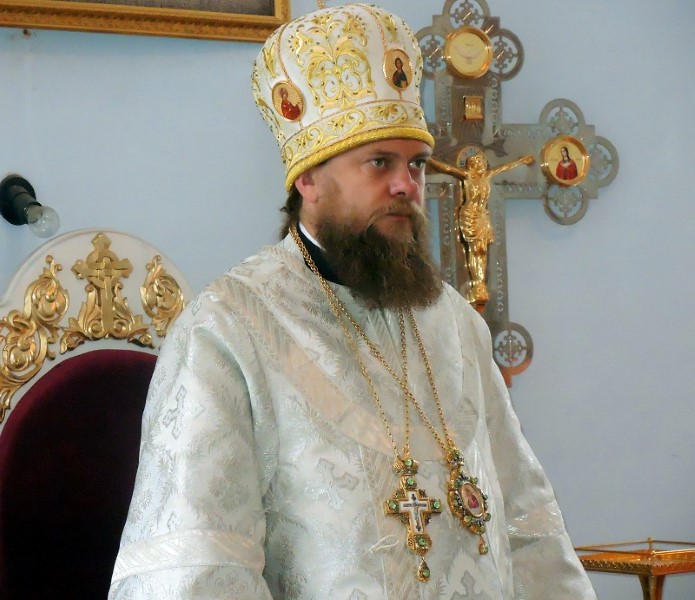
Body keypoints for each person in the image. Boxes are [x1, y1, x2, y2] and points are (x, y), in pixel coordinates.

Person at [109, 4, 596, 599]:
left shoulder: (453, 322)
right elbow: (201, 566)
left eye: (416, 164)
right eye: (379, 162)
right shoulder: (229, 329)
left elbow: (527, 524)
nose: (406, 185)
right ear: (308, 178)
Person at [428, 151, 534, 309]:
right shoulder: (467, 176)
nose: (483, 164)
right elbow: (447, 169)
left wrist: (521, 161)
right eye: (479, 162)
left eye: (483, 162)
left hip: (483, 215)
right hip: (470, 215)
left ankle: (480, 283)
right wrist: (428, 160)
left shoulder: (487, 175)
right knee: (474, 249)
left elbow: (504, 167)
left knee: (483, 249)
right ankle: (476, 283)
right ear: (472, 164)